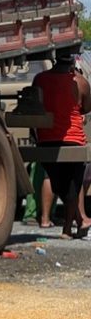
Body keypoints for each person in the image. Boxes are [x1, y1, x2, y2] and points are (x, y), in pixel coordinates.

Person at [32, 50, 91, 238]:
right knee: (72, 186)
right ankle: (72, 226)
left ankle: (76, 223)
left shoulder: (39, 79)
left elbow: (35, 104)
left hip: (45, 139)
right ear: (73, 63)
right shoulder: (81, 82)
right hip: (73, 140)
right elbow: (87, 108)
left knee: (60, 185)